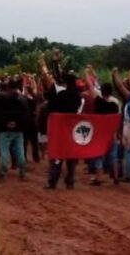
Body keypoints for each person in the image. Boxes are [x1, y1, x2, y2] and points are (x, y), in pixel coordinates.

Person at [42, 52, 82, 190]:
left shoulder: (59, 93)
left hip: (58, 127)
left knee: (57, 154)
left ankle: (53, 181)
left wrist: (53, 62)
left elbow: (54, 78)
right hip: (72, 128)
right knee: (71, 156)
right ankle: (70, 181)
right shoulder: (77, 96)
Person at [0, 77, 29, 182]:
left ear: (9, 87)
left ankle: (2, 174)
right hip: (18, 130)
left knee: (4, 152)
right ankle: (22, 173)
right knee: (20, 152)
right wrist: (17, 123)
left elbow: (0, 113)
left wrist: (7, 123)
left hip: (5, 129)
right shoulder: (23, 99)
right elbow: (25, 115)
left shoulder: (3, 98)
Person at [90, 83, 121, 185]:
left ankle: (98, 178)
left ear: (102, 91)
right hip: (112, 134)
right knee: (114, 156)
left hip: (100, 134)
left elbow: (91, 88)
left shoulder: (98, 102)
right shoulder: (115, 104)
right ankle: (116, 177)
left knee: (98, 155)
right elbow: (118, 119)